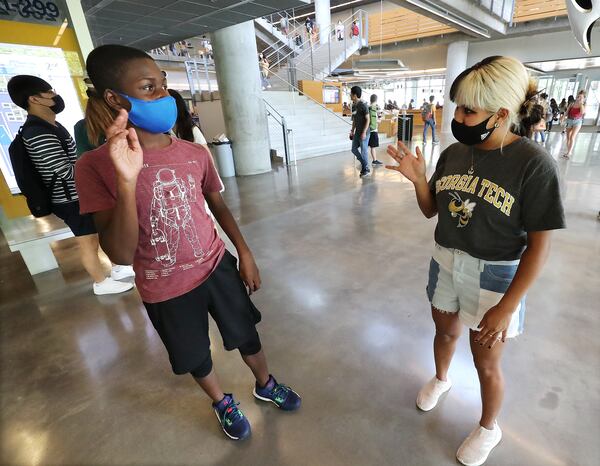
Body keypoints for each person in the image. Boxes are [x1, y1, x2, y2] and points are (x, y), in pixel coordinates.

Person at [76, 45, 301, 441]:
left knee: (247, 334)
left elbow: (217, 205)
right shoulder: (94, 167)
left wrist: (244, 253)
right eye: (149, 88)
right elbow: (120, 254)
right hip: (164, 287)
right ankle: (221, 402)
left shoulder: (194, 153)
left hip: (216, 265)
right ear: (114, 98)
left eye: (163, 86)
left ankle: (265, 384)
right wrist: (126, 180)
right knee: (195, 355)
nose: (163, 97)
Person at [385, 56, 565, 466]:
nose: (459, 117)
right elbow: (432, 210)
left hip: (498, 274)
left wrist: (508, 305)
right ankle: (442, 379)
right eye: (458, 107)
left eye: (469, 110)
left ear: (502, 113)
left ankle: (489, 427)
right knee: (444, 332)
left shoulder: (534, 166)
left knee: (486, 360)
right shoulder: (453, 153)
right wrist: (418, 180)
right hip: (445, 259)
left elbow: (540, 247)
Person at [7, 75, 133, 295]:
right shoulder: (37, 132)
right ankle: (100, 283)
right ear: (34, 99)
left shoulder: (51, 125)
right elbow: (63, 170)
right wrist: (96, 170)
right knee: (87, 241)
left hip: (78, 194)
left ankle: (116, 269)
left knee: (98, 232)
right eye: (50, 92)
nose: (55, 96)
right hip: (69, 198)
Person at [349, 85, 371, 177]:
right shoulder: (353, 106)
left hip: (364, 132)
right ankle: (364, 164)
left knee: (363, 150)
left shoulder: (363, 105)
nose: (350, 95)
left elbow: (368, 119)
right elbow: (354, 119)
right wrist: (352, 131)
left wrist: (364, 132)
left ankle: (365, 169)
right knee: (354, 149)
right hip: (357, 131)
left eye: (351, 94)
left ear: (354, 95)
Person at [563, 90, 585, 158]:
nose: (579, 98)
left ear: (583, 98)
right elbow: (566, 112)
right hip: (569, 120)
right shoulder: (572, 104)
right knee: (568, 137)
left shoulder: (583, 105)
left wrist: (581, 104)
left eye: (581, 97)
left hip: (577, 121)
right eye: (578, 96)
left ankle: (569, 152)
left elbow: (582, 112)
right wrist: (563, 117)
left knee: (572, 137)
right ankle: (568, 150)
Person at [368, 94, 383, 166]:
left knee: (367, 146)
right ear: (376, 100)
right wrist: (380, 119)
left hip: (368, 129)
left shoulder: (368, 107)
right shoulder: (375, 108)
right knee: (373, 146)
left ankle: (364, 160)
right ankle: (374, 160)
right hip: (373, 130)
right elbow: (377, 120)